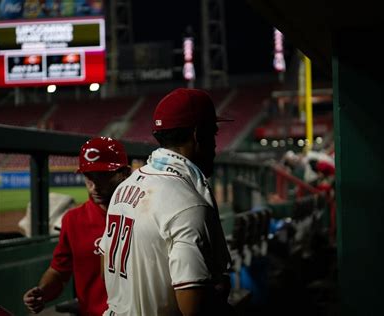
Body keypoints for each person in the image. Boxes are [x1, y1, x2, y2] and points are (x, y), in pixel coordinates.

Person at [99, 88, 234, 315]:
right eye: (213, 134)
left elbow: (106, 271)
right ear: (197, 134)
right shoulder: (188, 203)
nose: (215, 145)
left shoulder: (125, 187)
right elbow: (193, 306)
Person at [23, 137, 132, 315]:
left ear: (125, 173)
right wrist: (42, 291)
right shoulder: (73, 220)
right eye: (89, 177)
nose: (94, 186)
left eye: (103, 176)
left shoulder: (143, 214)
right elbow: (58, 272)